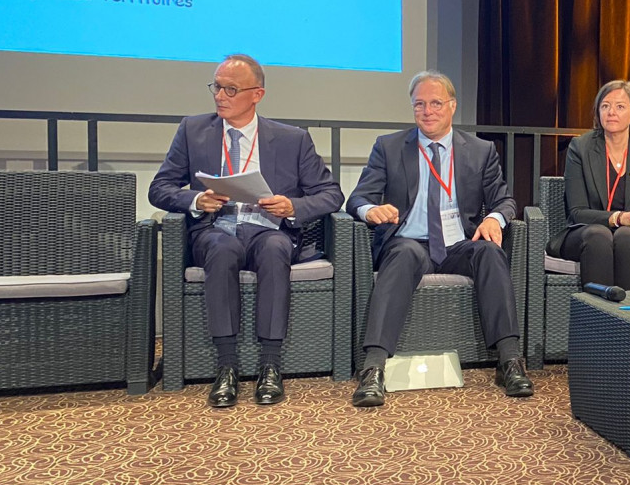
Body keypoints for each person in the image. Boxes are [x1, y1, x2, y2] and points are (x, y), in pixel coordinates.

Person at [149, 54, 344, 408]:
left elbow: (331, 194)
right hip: (216, 228)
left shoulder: (292, 139)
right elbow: (159, 188)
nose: (220, 96)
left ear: (258, 94)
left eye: (230, 89)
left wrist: (293, 207)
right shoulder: (193, 130)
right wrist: (196, 200)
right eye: (217, 87)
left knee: (274, 250)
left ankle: (271, 365)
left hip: (267, 228)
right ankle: (227, 367)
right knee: (221, 251)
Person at [346, 70, 533, 407]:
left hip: (458, 243)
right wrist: (369, 211)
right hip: (410, 241)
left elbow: (505, 200)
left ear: (452, 106)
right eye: (419, 105)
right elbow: (358, 198)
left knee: (490, 253)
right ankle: (373, 369)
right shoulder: (389, 147)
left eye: (435, 103)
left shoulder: (480, 150)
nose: (427, 111)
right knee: (402, 254)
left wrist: (494, 217)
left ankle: (510, 361)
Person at [546, 80, 630, 290]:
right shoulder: (581, 147)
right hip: (584, 233)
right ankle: (596, 318)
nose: (611, 112)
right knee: (599, 236)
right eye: (605, 106)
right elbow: (577, 212)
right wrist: (619, 218)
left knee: (628, 237)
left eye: (620, 106)